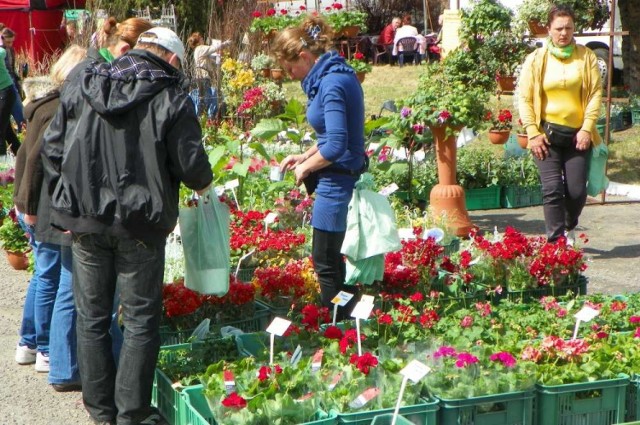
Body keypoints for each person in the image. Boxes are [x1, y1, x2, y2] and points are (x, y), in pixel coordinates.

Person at [42, 27, 213, 425]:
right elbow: (193, 171)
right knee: (138, 322)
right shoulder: (171, 96)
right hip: (140, 226)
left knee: (93, 318)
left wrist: (67, 205)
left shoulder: (84, 81)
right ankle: (131, 415)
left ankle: (102, 413)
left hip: (87, 223)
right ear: (171, 59)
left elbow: (52, 148)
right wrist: (202, 184)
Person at [274, 16, 365, 319]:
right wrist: (304, 156)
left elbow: (337, 145)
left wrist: (307, 169)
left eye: (291, 69)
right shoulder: (332, 77)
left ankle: (338, 326)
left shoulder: (332, 83)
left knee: (326, 262)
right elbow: (330, 136)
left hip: (336, 185)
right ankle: (350, 320)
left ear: (304, 57)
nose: (290, 76)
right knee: (335, 261)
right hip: (336, 179)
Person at [12, 46, 87, 389]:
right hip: (46, 205)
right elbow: (35, 161)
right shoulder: (59, 108)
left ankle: (29, 342)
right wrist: (27, 206)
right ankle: (44, 346)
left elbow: (27, 158)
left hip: (40, 202)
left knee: (45, 275)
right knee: (51, 277)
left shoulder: (45, 105)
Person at [518, 4, 602, 244]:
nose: (564, 33)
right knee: (552, 190)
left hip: (578, 136)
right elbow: (524, 98)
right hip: (546, 135)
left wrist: (587, 128)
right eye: (558, 28)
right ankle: (555, 245)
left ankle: (568, 224)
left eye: (568, 28)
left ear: (574, 28)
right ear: (549, 29)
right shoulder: (536, 59)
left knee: (576, 192)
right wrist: (532, 133)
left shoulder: (586, 57)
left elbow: (595, 94)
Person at [186, 31, 230, 116]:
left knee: (202, 97)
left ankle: (202, 116)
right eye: (201, 38)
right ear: (198, 41)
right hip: (203, 76)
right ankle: (203, 116)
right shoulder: (201, 48)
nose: (203, 39)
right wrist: (225, 43)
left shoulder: (198, 50)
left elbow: (210, 59)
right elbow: (213, 48)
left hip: (199, 76)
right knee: (205, 98)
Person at [0, 28, 20, 157]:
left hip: (6, 92)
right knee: (7, 131)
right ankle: (22, 155)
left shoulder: (2, 51)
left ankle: (2, 167)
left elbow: (2, 52)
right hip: (4, 91)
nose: (10, 44)